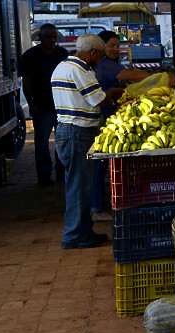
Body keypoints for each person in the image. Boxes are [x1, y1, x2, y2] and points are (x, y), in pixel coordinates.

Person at [91, 30, 175, 220]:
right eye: (111, 45)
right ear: (100, 47)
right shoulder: (105, 65)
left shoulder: (109, 64)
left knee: (100, 164)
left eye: (117, 45)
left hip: (107, 111)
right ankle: (96, 208)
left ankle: (97, 205)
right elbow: (135, 76)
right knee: (98, 163)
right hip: (104, 113)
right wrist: (166, 79)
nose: (115, 49)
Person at [52, 34, 124, 249]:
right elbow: (98, 99)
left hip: (68, 132)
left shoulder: (63, 66)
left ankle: (83, 231)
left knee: (78, 185)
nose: (100, 61)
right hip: (76, 134)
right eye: (99, 56)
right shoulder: (80, 69)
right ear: (92, 53)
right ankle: (74, 235)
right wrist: (112, 92)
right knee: (78, 187)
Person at [19, 23, 69, 186]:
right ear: (40, 37)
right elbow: (26, 83)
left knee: (62, 141)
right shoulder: (30, 56)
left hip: (62, 105)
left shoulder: (62, 53)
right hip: (42, 106)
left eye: (54, 37)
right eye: (48, 37)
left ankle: (62, 173)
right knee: (41, 142)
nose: (52, 40)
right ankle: (44, 176)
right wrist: (32, 104)